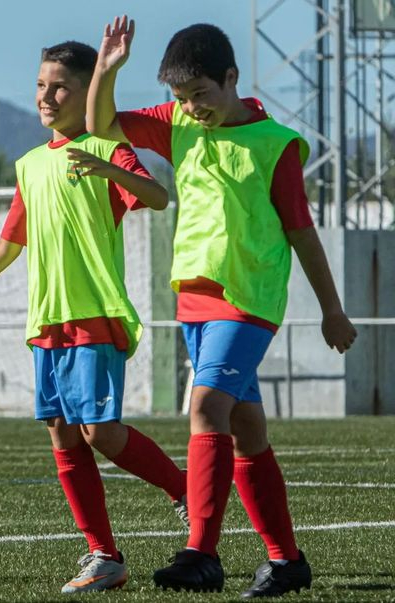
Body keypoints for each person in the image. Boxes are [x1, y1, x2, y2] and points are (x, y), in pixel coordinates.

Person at [86, 16, 357, 598]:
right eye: (180, 98)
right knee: (245, 428)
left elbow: (303, 232)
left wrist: (332, 308)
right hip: (194, 303)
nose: (191, 108)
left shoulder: (274, 144)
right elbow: (101, 125)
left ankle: (200, 553)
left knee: (206, 408)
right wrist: (106, 70)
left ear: (232, 78)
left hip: (248, 301)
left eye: (201, 95)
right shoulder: (178, 122)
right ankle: (287, 561)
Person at [0, 40, 188, 595]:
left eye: (59, 86)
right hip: (47, 322)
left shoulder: (108, 147)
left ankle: (186, 490)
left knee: (101, 433)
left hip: (95, 312)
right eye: (41, 85)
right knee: (64, 437)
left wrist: (107, 166)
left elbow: (158, 198)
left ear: (87, 92)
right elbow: (4, 245)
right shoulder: (31, 164)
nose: (46, 95)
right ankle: (103, 556)